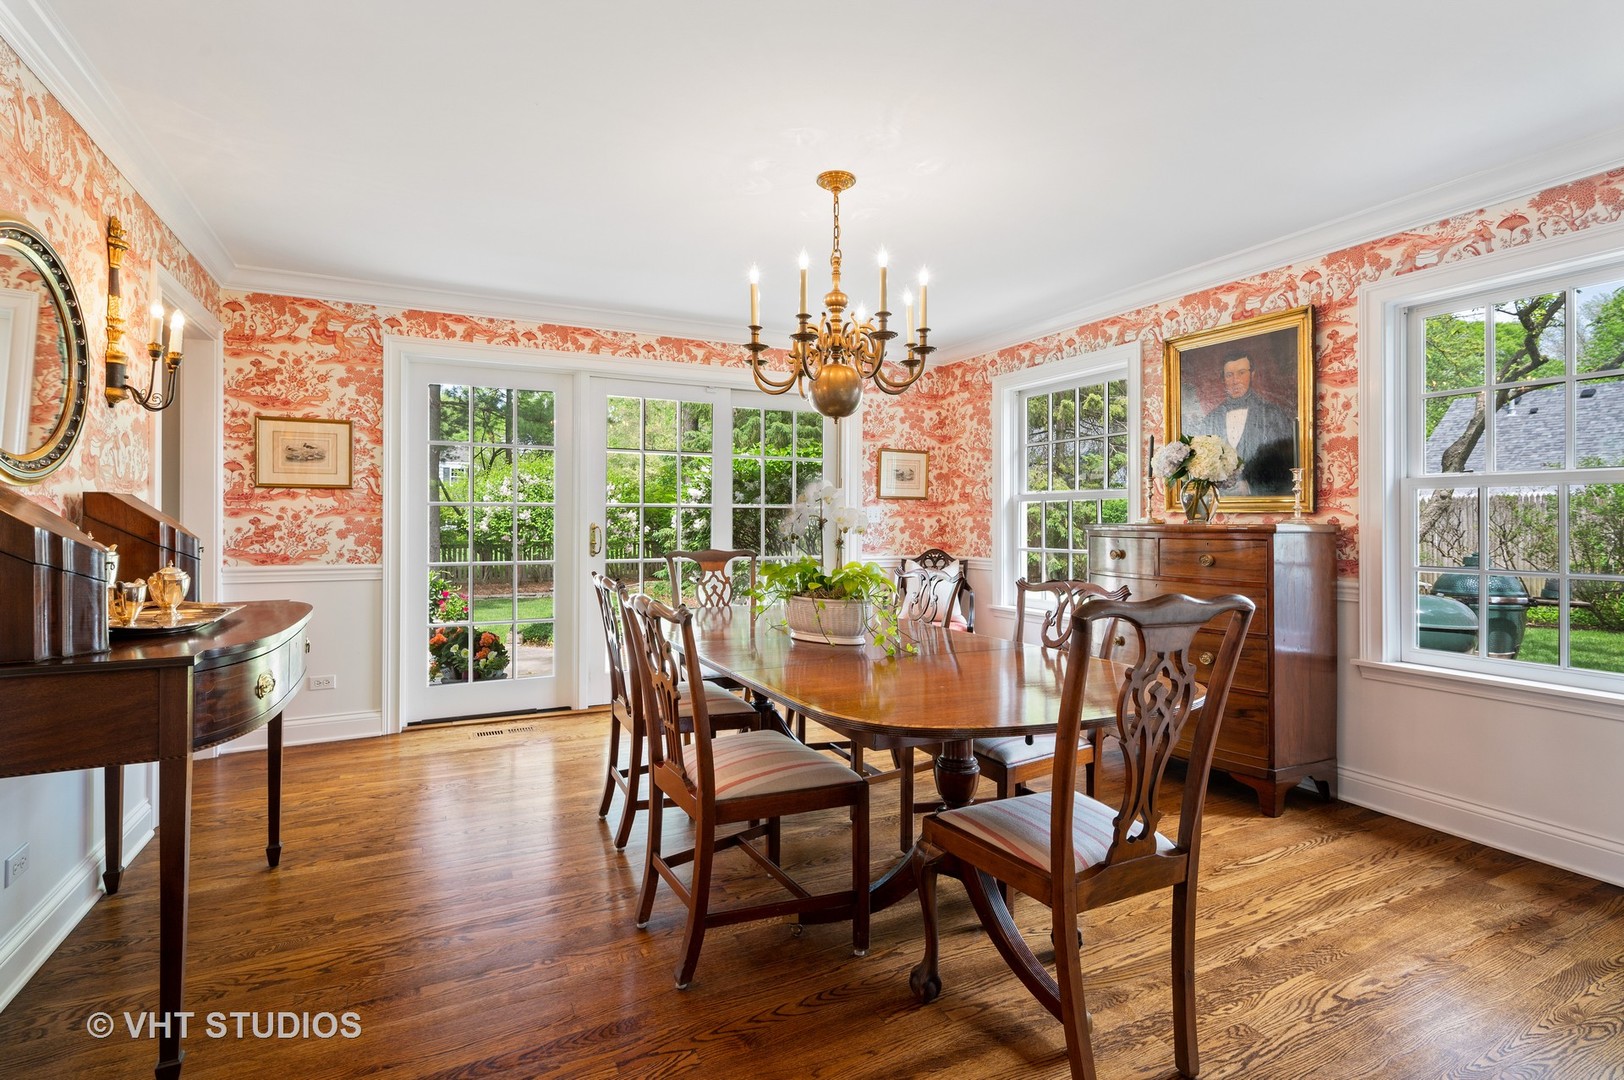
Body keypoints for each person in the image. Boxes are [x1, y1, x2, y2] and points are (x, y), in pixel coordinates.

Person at [1194, 353, 1295, 495]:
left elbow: (1286, 465)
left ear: (1252, 375)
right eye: (1229, 375)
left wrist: (1251, 486)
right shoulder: (1211, 420)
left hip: (1261, 502)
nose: (1235, 380)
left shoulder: (1273, 415)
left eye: (1241, 373)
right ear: (1223, 379)